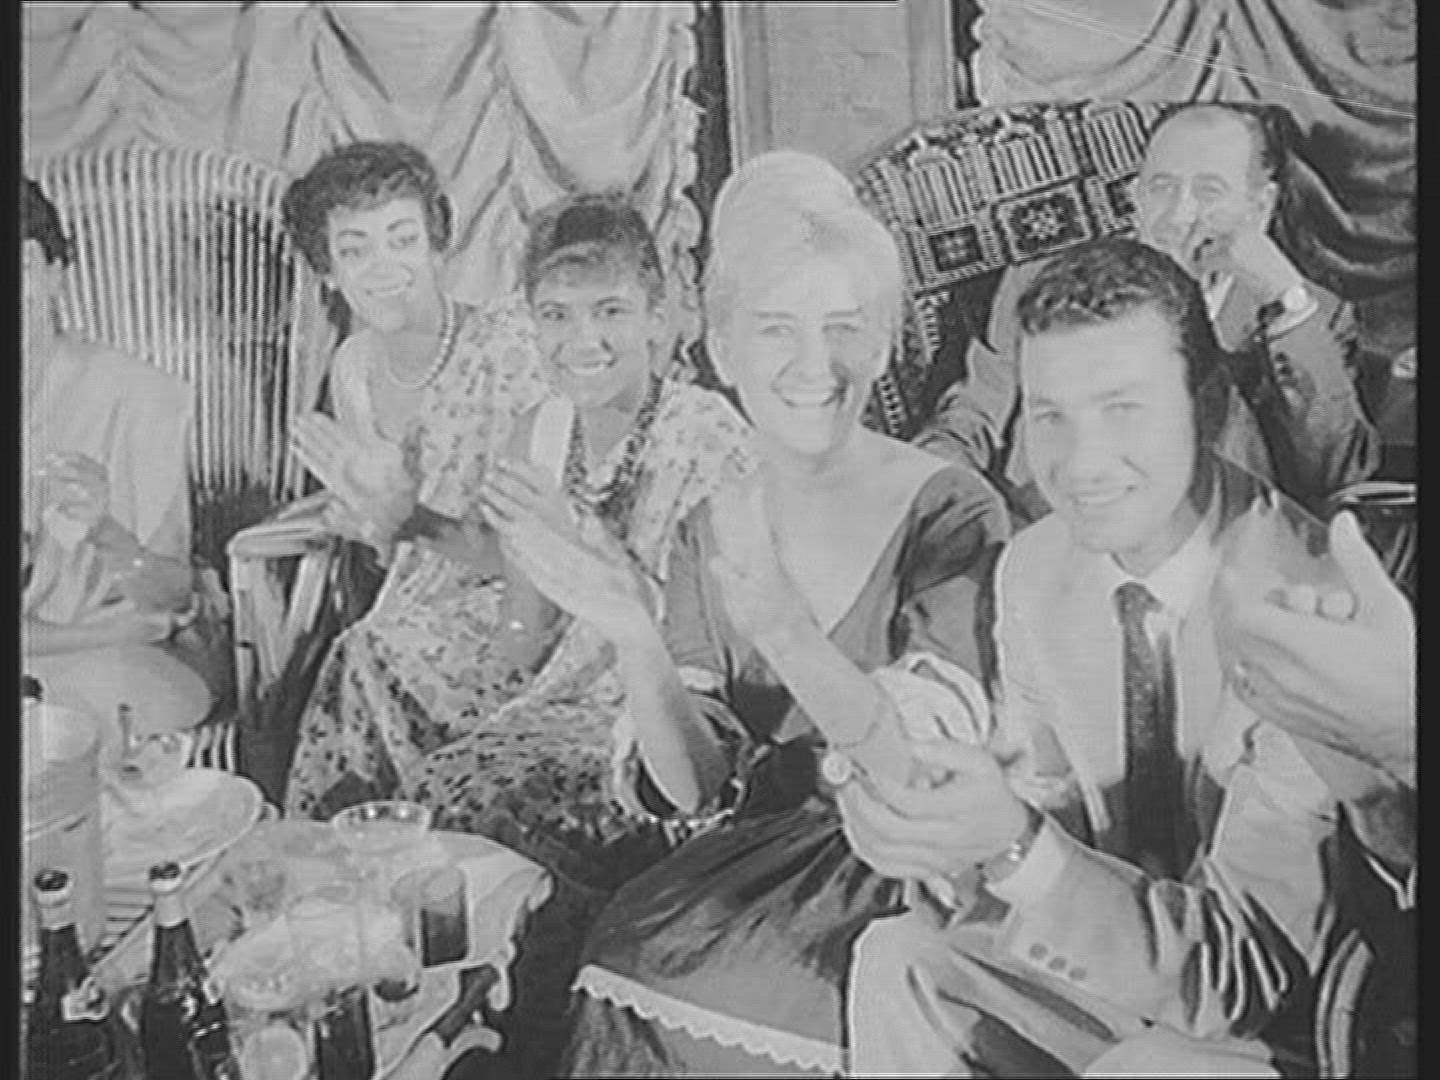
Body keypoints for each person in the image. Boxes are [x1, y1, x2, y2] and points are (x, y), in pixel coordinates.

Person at [528, 151, 1011, 1076]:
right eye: (777, 329)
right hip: (757, 865)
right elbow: (694, 790)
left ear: (885, 342)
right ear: (722, 348)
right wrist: (636, 639)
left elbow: (920, 776)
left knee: (702, 981)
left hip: (913, 871)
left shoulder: (953, 510)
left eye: (844, 327)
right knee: (619, 949)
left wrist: (783, 627)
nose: (813, 365)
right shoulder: (710, 523)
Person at [838, 237, 1347, 1077]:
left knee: (1141, 1069)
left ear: (1207, 404)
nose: (1080, 464)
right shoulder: (1035, 570)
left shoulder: (1306, 609)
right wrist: (940, 832)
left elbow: (1243, 976)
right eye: (1050, 416)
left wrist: (1012, 843)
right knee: (897, 960)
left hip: (1287, 1027)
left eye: (1122, 409)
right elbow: (1047, 820)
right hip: (1128, 970)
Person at [918, 101, 1378, 524]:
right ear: (1135, 196)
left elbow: (1334, 474)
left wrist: (1287, 300)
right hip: (1053, 536)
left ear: (1260, 206)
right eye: (1162, 187)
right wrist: (935, 498)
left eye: (1209, 190)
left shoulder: (1305, 315)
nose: (1179, 215)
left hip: (1221, 555)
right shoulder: (1042, 282)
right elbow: (970, 419)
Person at [21, 177, 212, 751]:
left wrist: (105, 532)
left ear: (56, 272)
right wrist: (87, 634)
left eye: (21, 265)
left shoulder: (141, 397)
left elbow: (169, 599)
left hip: (119, 668)